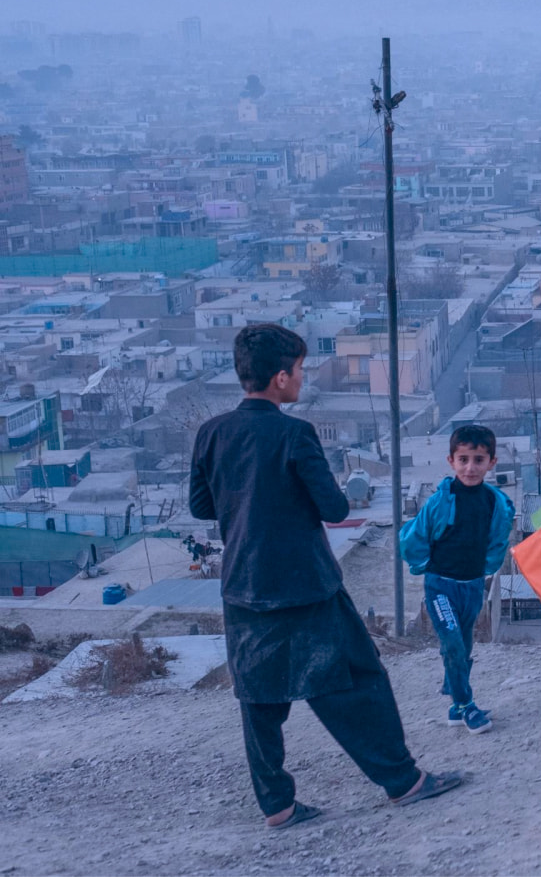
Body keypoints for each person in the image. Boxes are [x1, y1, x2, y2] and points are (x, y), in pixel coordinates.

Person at [189, 324, 461, 830]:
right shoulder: (294, 433)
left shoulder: (212, 432)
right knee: (358, 681)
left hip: (244, 586)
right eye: (299, 369)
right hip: (305, 585)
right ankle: (404, 782)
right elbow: (335, 507)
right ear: (279, 377)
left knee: (259, 698)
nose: (302, 377)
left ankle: (278, 807)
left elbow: (201, 504)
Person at [400, 424, 514, 735]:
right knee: (450, 641)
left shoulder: (495, 502)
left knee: (463, 646)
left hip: (473, 585)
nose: (470, 467)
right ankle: (466, 705)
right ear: (451, 460)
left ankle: (454, 705)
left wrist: (486, 570)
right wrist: (420, 565)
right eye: (463, 459)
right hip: (440, 586)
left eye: (478, 459)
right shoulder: (441, 500)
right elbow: (416, 536)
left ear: (491, 462)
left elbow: (497, 541)